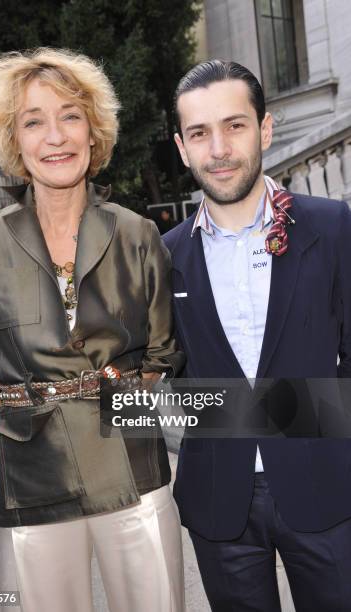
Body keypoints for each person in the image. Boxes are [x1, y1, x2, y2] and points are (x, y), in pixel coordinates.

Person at [0, 48, 185, 612]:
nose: (55, 135)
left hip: (131, 464)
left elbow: (162, 352)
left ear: (94, 128)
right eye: (34, 120)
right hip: (30, 471)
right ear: (14, 139)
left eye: (71, 115)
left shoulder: (137, 233)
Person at [163, 59, 351, 611]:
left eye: (234, 125)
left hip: (329, 490)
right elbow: (158, 382)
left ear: (264, 129)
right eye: (200, 133)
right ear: (182, 147)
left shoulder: (332, 226)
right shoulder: (162, 254)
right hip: (218, 502)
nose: (218, 148)